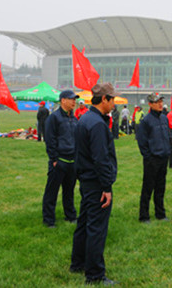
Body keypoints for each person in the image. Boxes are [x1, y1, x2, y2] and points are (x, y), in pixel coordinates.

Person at [70, 83, 119, 285]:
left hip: (87, 180)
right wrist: (106, 187)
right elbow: (101, 158)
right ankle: (95, 274)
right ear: (104, 99)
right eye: (112, 99)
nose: (114, 103)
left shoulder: (85, 119)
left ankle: (78, 262)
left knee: (84, 223)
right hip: (96, 182)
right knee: (96, 228)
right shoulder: (97, 124)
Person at [42, 90, 78, 227]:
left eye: (75, 99)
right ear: (63, 100)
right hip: (59, 160)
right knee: (52, 191)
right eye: (71, 99)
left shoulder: (74, 119)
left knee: (69, 191)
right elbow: (50, 139)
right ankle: (48, 219)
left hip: (72, 160)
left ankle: (70, 215)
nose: (74, 102)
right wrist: (54, 159)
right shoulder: (54, 118)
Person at [135, 93, 171, 223]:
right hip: (152, 159)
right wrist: (148, 156)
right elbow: (142, 141)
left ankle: (160, 214)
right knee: (148, 188)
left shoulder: (164, 118)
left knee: (160, 187)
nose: (160, 104)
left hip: (163, 158)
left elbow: (167, 135)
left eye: (161, 101)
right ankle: (144, 216)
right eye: (156, 102)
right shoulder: (146, 121)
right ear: (150, 104)